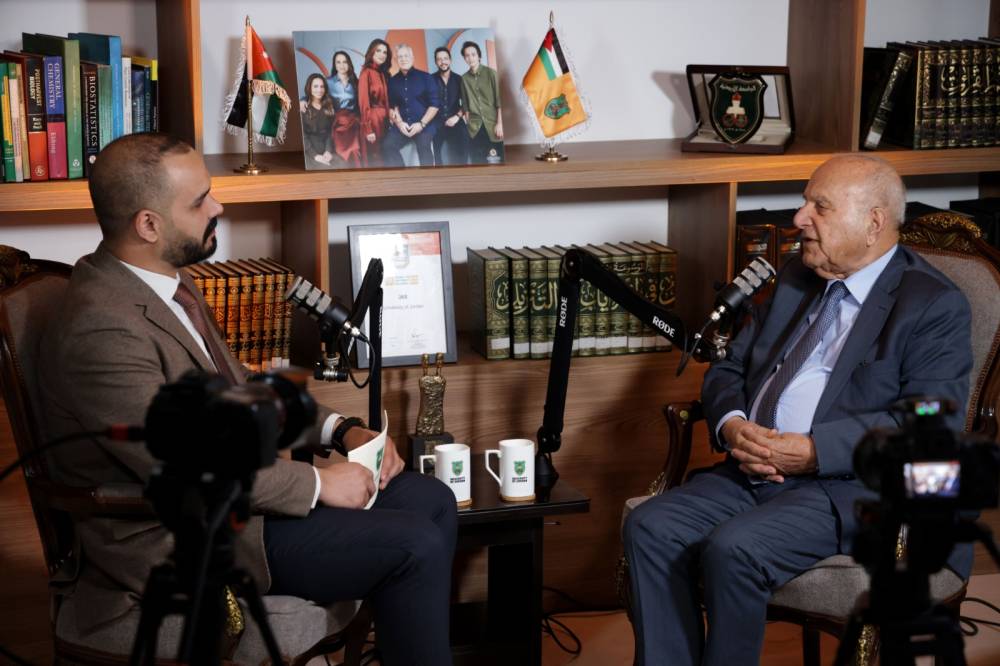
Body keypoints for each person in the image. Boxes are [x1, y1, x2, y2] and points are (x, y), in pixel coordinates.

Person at [38, 133, 457, 665]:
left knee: (431, 501)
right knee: (414, 544)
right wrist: (318, 484)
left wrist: (341, 430)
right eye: (200, 201)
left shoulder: (167, 285)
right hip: (180, 537)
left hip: (241, 507)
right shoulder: (100, 328)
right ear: (148, 225)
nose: (218, 207)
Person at [622, 154, 973, 666]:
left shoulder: (933, 305)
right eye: (805, 202)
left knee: (734, 548)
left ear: (873, 222)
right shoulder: (796, 276)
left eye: (819, 207)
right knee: (651, 526)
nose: (799, 218)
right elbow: (728, 367)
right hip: (754, 468)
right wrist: (733, 425)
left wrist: (813, 451)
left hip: (851, 488)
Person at [383, 44, 440, 167]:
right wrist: (399, 123)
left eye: (406, 56)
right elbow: (392, 107)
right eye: (400, 57)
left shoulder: (426, 77)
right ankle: (403, 176)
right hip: (402, 125)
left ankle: (429, 178)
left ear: (412, 58)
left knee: (424, 147)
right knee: (387, 146)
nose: (403, 59)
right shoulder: (392, 81)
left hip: (424, 126)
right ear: (396, 60)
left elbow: (434, 105)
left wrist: (421, 124)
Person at [459, 41, 504, 164]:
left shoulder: (491, 74)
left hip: (493, 125)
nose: (470, 58)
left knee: (495, 161)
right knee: (477, 162)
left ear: (479, 55)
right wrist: (469, 123)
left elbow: (499, 101)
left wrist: (500, 123)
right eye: (467, 55)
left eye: (473, 54)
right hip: (475, 128)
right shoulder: (464, 79)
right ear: (464, 58)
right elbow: (465, 104)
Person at [431, 46, 468, 165]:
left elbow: (466, 102)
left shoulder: (459, 79)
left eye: (445, 58)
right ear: (436, 62)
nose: (443, 62)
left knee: (464, 139)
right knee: (436, 152)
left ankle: (463, 171)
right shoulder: (430, 80)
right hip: (437, 121)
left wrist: (457, 117)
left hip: (455, 119)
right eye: (439, 59)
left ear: (450, 60)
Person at [358, 38, 391, 167]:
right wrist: (368, 129)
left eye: (385, 52)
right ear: (372, 52)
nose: (382, 54)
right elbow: (363, 103)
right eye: (378, 50)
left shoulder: (384, 74)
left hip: (385, 121)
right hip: (373, 120)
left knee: (385, 155)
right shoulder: (366, 73)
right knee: (375, 158)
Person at [327, 50, 362, 167]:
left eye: (344, 62)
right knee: (341, 151)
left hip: (353, 121)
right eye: (338, 62)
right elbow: (314, 93)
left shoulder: (356, 82)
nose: (342, 65)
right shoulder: (328, 82)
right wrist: (303, 100)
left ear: (349, 64)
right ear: (334, 64)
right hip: (337, 121)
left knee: (355, 149)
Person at [300, 73, 335, 167]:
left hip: (327, 151)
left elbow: (330, 132)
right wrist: (315, 156)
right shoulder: (303, 108)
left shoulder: (329, 106)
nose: (319, 90)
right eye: (315, 86)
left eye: (322, 86)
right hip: (309, 152)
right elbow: (303, 136)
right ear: (309, 88)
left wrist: (328, 150)